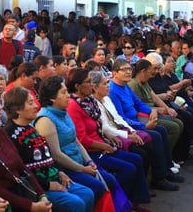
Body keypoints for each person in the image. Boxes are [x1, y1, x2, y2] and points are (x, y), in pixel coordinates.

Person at [66, 68, 155, 211]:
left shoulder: (89, 101)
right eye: (88, 82)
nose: (91, 85)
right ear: (77, 86)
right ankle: (118, 204)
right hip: (92, 151)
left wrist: (110, 138)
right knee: (128, 168)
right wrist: (105, 146)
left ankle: (134, 200)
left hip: (103, 144)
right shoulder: (73, 106)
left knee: (137, 158)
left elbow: (101, 127)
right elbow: (82, 139)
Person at [4, 86, 94, 212]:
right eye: (30, 103)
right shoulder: (10, 134)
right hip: (37, 186)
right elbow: (20, 171)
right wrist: (48, 185)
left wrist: (60, 172)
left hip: (53, 176)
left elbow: (47, 154)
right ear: (18, 109)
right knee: (76, 203)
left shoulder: (29, 126)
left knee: (87, 194)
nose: (36, 106)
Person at [34, 76, 117, 204]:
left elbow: (76, 140)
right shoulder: (46, 120)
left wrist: (88, 160)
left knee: (109, 179)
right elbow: (56, 155)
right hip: (66, 169)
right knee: (98, 187)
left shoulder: (63, 111)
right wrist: (82, 169)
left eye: (67, 91)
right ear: (52, 98)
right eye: (63, 93)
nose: (68, 95)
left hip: (79, 162)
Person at [109, 59, 185, 191]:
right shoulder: (113, 91)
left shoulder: (125, 86)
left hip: (137, 119)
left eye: (129, 69)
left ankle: (166, 170)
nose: (128, 72)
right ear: (115, 73)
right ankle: (158, 178)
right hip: (128, 126)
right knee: (156, 134)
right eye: (124, 69)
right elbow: (121, 119)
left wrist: (151, 111)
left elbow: (138, 104)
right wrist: (143, 126)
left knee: (161, 130)